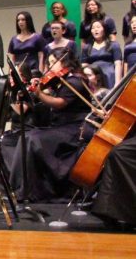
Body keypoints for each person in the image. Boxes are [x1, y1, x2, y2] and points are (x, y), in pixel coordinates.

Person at [8, 50, 93, 201]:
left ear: (65, 62)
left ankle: (31, 191)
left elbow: (59, 103)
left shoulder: (76, 81)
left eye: (54, 62)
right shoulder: (63, 81)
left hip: (74, 129)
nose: (50, 66)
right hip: (61, 127)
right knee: (25, 137)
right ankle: (19, 187)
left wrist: (39, 93)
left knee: (33, 139)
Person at [81, 20, 123, 88]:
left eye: (98, 27)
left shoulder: (114, 45)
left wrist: (118, 82)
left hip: (109, 75)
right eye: (93, 28)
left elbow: (118, 64)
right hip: (94, 77)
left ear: (104, 29)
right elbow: (84, 65)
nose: (95, 30)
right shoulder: (87, 47)